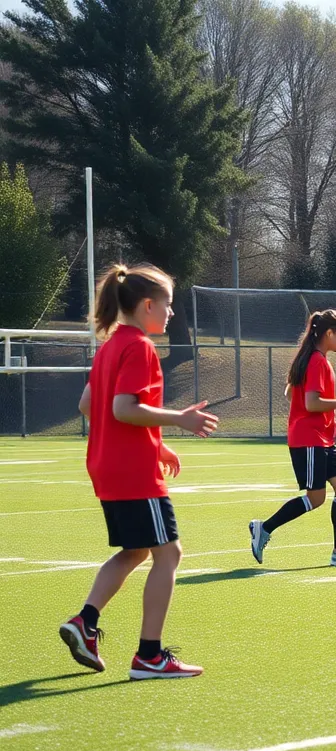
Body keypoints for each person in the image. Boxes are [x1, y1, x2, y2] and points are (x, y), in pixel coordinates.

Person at [59, 263, 218, 680]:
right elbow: (123, 408)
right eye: (167, 305)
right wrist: (178, 420)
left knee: (137, 550)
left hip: (107, 466)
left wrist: (155, 442)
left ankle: (85, 622)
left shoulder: (110, 345)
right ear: (147, 305)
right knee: (170, 553)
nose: (171, 313)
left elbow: (87, 406)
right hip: (133, 472)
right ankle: (149, 655)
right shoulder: (140, 348)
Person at [249, 309, 336, 566]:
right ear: (329, 333)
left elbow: (291, 394)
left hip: (320, 436)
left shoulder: (313, 358)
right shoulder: (316, 360)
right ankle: (265, 528)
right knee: (316, 498)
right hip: (309, 439)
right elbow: (311, 402)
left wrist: (329, 418)